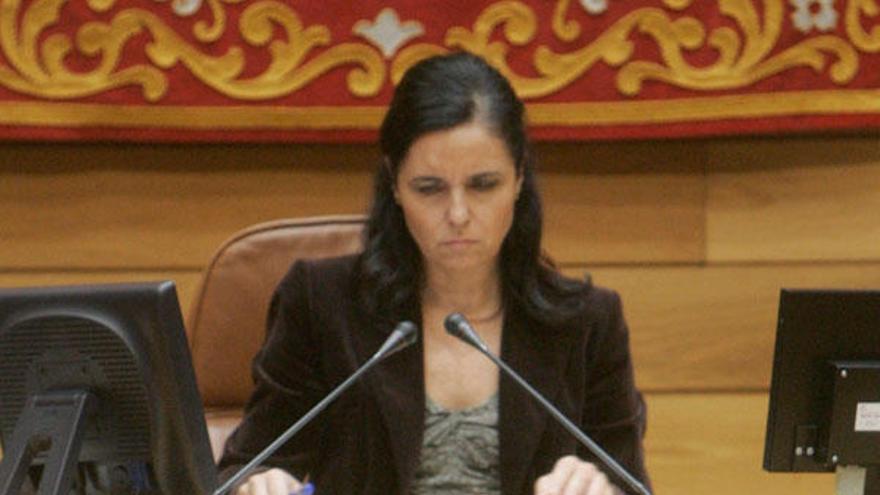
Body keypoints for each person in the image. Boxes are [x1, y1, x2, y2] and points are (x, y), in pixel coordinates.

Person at [218, 51, 650, 495]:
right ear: (395, 184)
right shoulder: (321, 303)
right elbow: (243, 466)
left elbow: (630, 482)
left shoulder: (587, 323)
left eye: (483, 185)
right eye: (430, 188)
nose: (458, 214)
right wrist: (256, 483)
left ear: (519, 178)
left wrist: (604, 489)